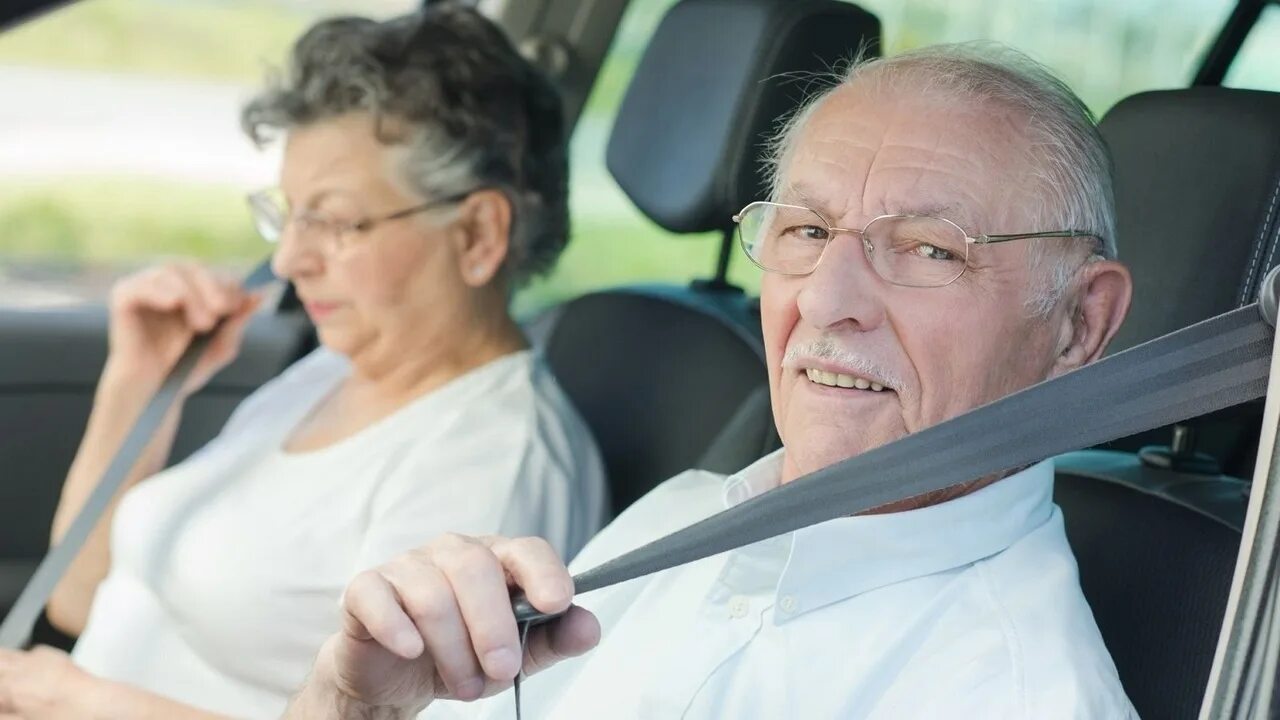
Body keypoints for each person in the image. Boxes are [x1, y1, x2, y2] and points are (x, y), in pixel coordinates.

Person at [282, 43, 1139, 719]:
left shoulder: (1018, 696)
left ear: (1078, 325)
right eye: (805, 230)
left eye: (929, 248)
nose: (825, 302)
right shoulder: (682, 514)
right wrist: (351, 708)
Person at [0, 7, 605, 719]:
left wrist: (77, 701)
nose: (288, 259)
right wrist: (137, 384)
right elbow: (77, 598)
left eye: (336, 220)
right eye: (288, 214)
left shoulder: (490, 468)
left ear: (476, 233)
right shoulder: (335, 370)